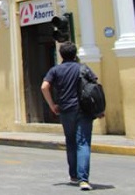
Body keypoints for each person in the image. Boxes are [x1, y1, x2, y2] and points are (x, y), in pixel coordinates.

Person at [41, 42, 95, 191]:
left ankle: (74, 176)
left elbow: (44, 86)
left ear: (61, 55)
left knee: (71, 142)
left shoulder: (56, 70)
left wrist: (52, 105)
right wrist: (98, 109)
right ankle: (84, 179)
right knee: (83, 143)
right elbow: (95, 87)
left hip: (65, 110)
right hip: (84, 110)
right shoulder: (83, 68)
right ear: (75, 53)